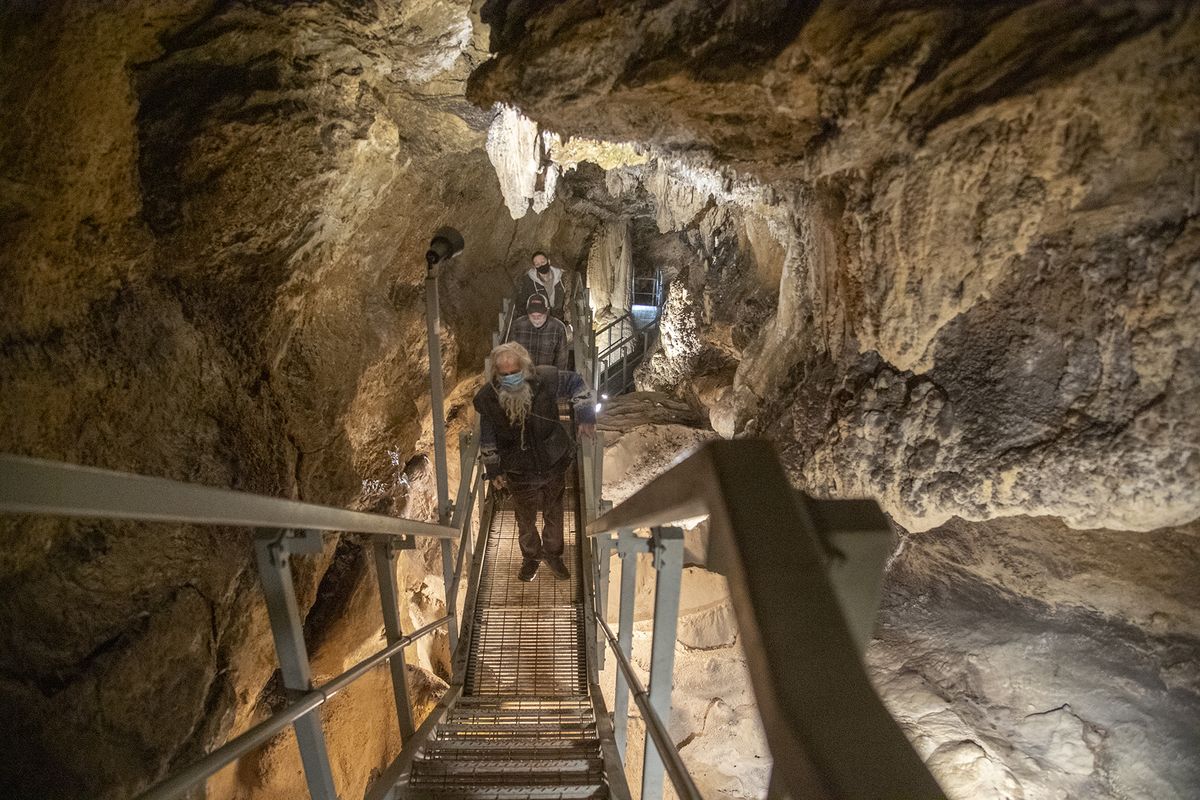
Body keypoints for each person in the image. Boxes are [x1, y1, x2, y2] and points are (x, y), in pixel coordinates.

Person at [473, 342, 594, 581]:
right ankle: (531, 557)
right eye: (504, 374)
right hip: (518, 470)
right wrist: (494, 468)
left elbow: (576, 384)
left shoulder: (545, 379)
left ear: (526, 368)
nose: (510, 378)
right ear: (496, 374)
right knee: (525, 518)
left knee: (554, 512)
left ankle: (553, 554)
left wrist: (585, 416)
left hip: (552, 462)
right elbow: (487, 437)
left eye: (515, 372)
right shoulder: (488, 399)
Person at [507, 293, 569, 370]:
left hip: (547, 376)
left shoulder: (558, 328)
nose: (536, 319)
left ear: (547, 312)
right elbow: (510, 353)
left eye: (539, 315)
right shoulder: (517, 326)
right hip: (523, 376)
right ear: (528, 313)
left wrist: (557, 378)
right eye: (533, 316)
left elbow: (561, 360)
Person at [512, 251, 573, 324]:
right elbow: (522, 303)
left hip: (559, 320)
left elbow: (569, 299)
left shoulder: (562, 278)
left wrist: (567, 320)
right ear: (534, 267)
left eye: (543, 262)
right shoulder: (529, 281)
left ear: (549, 261)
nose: (541, 265)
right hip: (538, 322)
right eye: (537, 264)